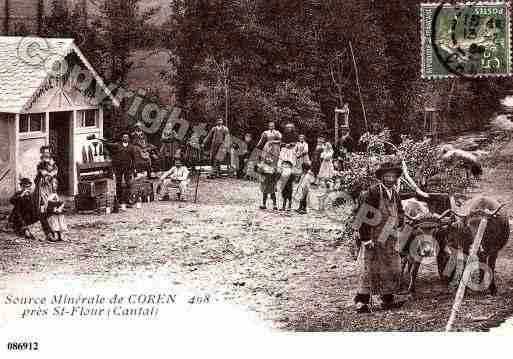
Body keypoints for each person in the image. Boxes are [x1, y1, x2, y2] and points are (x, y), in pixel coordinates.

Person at [354, 161, 406, 313]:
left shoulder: (395, 193)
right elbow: (363, 215)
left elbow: (401, 211)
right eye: (387, 176)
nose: (390, 179)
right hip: (374, 236)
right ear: (382, 178)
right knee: (370, 269)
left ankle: (387, 299)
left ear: (396, 178)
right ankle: (361, 302)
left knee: (391, 267)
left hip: (390, 236)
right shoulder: (374, 192)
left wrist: (399, 221)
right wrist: (365, 239)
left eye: (393, 176)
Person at [100, 132, 137, 213]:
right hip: (119, 167)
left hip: (128, 168)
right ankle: (119, 200)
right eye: (124, 137)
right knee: (118, 183)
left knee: (128, 184)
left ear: (129, 139)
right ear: (122, 138)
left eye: (127, 137)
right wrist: (104, 141)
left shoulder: (131, 147)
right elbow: (109, 145)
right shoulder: (118, 145)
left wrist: (134, 169)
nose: (125, 138)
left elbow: (134, 159)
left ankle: (128, 200)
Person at [33, 146, 58, 241]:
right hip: (42, 189)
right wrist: (50, 173)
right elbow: (44, 173)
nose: (46, 154)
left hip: (51, 188)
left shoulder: (54, 164)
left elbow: (55, 173)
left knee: (53, 210)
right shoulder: (40, 164)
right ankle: (48, 233)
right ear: (41, 154)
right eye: (44, 152)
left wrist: (51, 174)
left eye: (48, 152)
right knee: (42, 210)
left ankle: (55, 231)